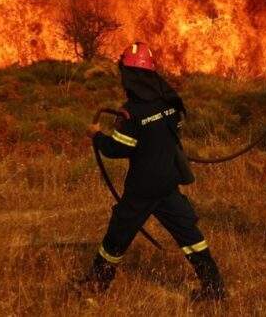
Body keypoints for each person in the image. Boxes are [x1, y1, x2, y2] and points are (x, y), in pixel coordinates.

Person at [80, 42, 226, 301]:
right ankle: (214, 288)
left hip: (143, 188)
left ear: (130, 75)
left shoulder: (132, 111)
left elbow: (117, 149)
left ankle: (96, 284)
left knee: (117, 235)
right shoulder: (168, 100)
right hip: (168, 182)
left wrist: (98, 137)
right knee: (189, 234)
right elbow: (176, 128)